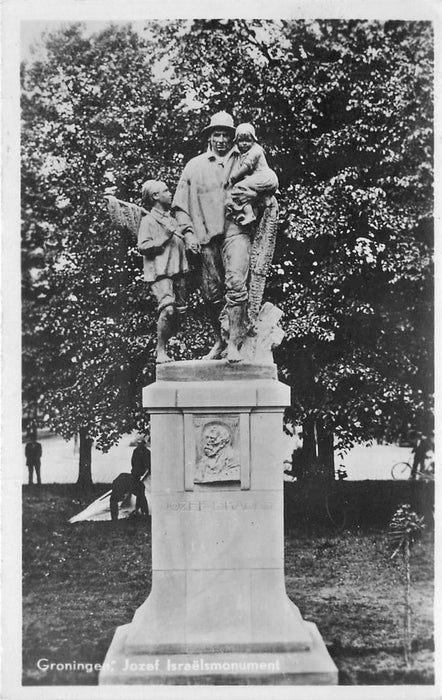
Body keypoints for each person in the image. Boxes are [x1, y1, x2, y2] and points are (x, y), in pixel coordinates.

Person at [172, 111, 255, 363]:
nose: (221, 140)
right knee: (210, 293)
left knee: (236, 285)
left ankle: (234, 344)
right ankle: (219, 340)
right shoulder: (194, 166)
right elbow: (180, 206)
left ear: (233, 137)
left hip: (236, 231)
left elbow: (266, 183)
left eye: (225, 135)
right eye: (216, 134)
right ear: (209, 136)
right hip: (206, 236)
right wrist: (187, 233)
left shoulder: (245, 159)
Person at [137, 180, 190, 363]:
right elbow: (143, 247)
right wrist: (164, 237)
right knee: (167, 309)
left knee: (179, 312)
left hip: (178, 270)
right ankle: (160, 350)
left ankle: (168, 344)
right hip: (160, 272)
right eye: (166, 191)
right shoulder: (149, 220)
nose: (170, 193)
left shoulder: (172, 219)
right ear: (155, 196)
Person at [225, 122, 279, 226]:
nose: (244, 144)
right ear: (236, 142)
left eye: (248, 141)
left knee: (238, 188)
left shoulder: (255, 150)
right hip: (263, 179)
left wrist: (233, 177)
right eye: (241, 141)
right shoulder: (242, 154)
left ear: (253, 140)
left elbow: (246, 167)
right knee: (240, 191)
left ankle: (249, 214)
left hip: (265, 177)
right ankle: (263, 200)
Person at [110, 439, 150, 521]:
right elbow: (134, 464)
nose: (140, 445)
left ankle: (142, 513)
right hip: (134, 477)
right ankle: (142, 513)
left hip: (136, 477)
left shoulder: (145, 453)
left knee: (140, 494)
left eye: (141, 444)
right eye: (139, 443)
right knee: (140, 494)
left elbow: (145, 466)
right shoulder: (137, 451)